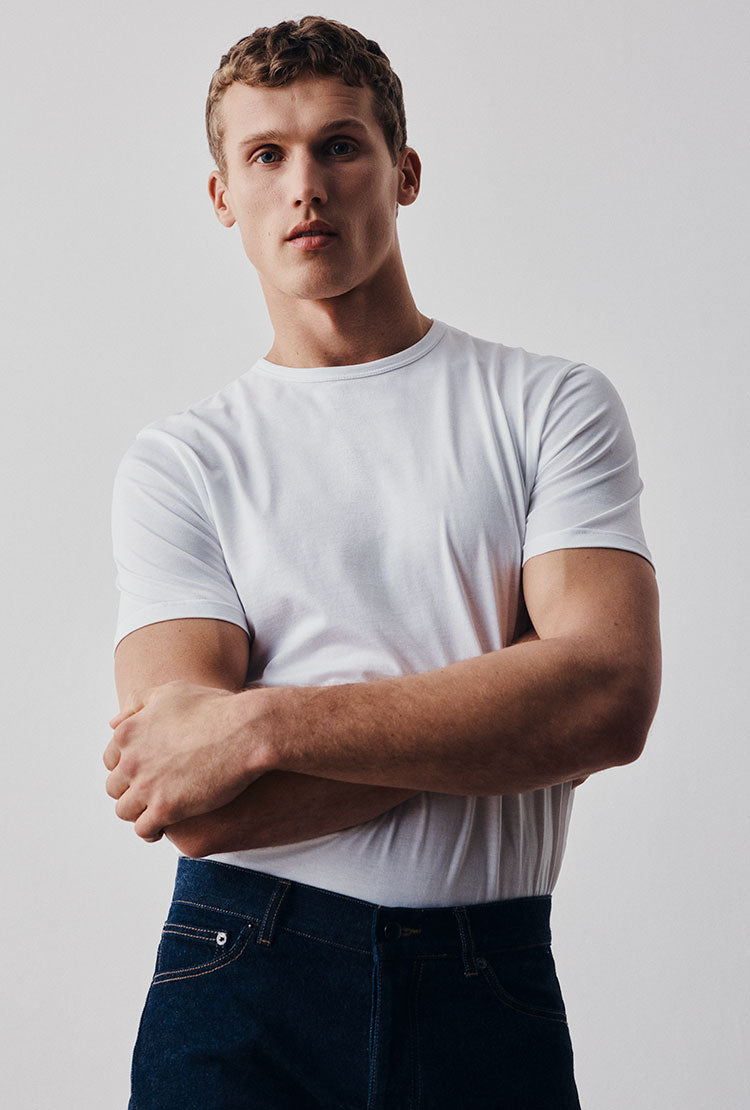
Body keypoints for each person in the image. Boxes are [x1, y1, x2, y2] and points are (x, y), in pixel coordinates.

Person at [104, 15, 661, 1109]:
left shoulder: (548, 405)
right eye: (266, 155)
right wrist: (510, 713)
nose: (305, 186)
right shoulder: (184, 461)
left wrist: (260, 727)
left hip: (486, 974)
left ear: (404, 173)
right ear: (222, 195)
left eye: (340, 146)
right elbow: (196, 804)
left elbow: (607, 701)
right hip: (242, 969)